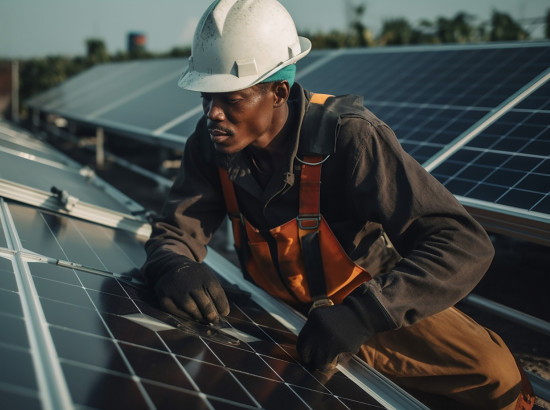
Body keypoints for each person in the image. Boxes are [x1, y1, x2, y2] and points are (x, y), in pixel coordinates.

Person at [140, 0, 534, 408]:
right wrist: (175, 265)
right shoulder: (209, 146)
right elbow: (176, 231)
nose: (212, 113)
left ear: (278, 92)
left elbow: (463, 242)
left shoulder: (350, 138)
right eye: (206, 97)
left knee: (494, 375)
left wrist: (364, 314)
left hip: (368, 308)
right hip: (274, 313)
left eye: (231, 98)